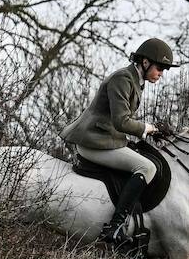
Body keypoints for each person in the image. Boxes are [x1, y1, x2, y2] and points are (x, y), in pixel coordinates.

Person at [60, 38, 177, 245]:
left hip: (106, 139)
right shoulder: (123, 78)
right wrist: (147, 128)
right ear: (145, 62)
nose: (161, 73)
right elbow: (121, 121)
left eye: (164, 70)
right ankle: (114, 228)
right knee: (147, 167)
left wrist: (151, 131)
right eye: (160, 68)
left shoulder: (136, 80)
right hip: (93, 142)